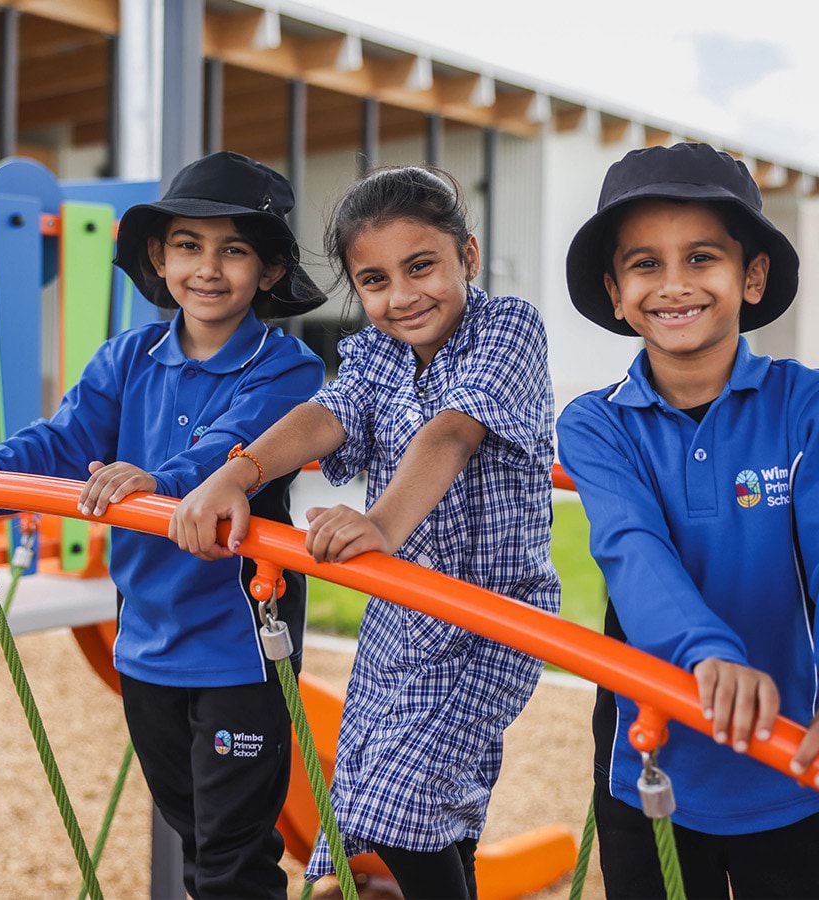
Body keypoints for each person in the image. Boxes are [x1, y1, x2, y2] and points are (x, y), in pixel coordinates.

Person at [0, 151, 327, 899]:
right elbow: (64, 441)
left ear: (268, 271)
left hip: (240, 646)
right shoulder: (128, 357)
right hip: (146, 643)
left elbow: (227, 449)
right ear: (157, 255)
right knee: (195, 843)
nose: (207, 268)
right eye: (187, 245)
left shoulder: (287, 369)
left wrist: (160, 481)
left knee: (233, 861)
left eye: (234, 249)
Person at [169, 166, 561, 900]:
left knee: (403, 801)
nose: (403, 296)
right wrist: (238, 472)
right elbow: (327, 415)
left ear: (466, 258)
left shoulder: (507, 327)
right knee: (401, 795)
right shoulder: (376, 352)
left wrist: (379, 523)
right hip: (402, 612)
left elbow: (450, 433)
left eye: (422, 268)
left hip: (489, 616)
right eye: (375, 280)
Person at [556, 142, 819, 899]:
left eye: (702, 257)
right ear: (616, 292)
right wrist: (705, 650)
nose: (673, 284)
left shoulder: (812, 405)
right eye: (645, 264)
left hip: (797, 761)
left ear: (751, 277)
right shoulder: (597, 424)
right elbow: (631, 547)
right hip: (650, 756)